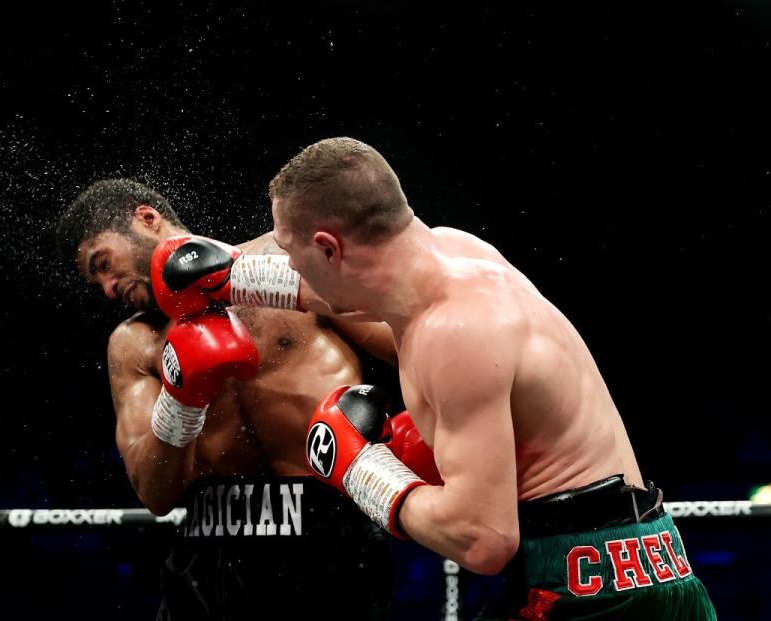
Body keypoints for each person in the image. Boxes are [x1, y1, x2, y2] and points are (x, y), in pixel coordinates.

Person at [164, 138, 718, 620]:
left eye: (288, 249)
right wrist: (231, 277)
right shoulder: (454, 251)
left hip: (583, 591)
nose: (285, 260)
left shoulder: (452, 335)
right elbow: (353, 298)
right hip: (641, 563)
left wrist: (361, 468)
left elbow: (483, 540)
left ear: (329, 247)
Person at [55, 178, 442, 621]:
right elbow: (155, 493)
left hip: (329, 530)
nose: (107, 287)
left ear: (147, 218)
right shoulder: (133, 343)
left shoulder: (286, 263)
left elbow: (408, 343)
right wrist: (181, 402)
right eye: (95, 280)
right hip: (211, 547)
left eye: (104, 263)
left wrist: (441, 431)